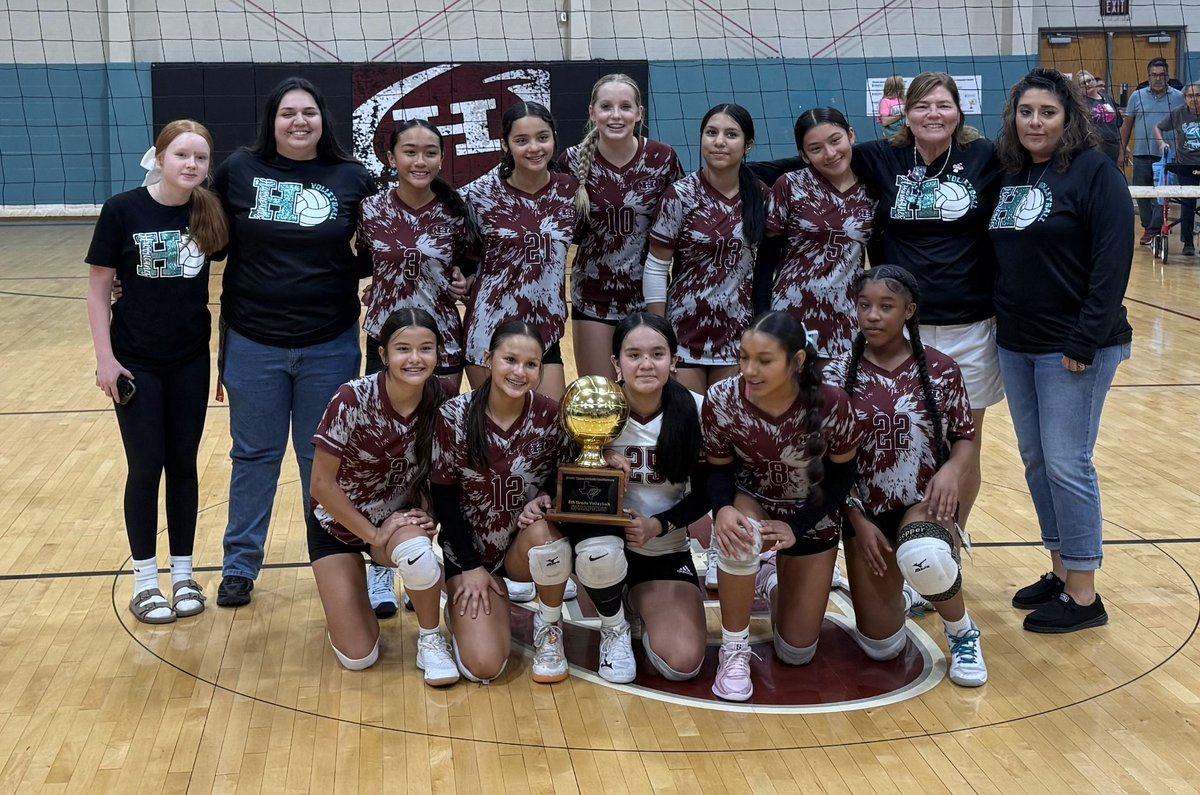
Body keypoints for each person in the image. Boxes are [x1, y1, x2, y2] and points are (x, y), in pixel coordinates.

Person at [213, 76, 376, 607]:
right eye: (288, 113)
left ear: (323, 120)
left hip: (329, 341)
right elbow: (202, 238)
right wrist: (125, 274)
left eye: (309, 112)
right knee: (254, 456)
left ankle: (339, 562)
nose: (299, 122)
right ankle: (240, 566)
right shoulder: (238, 170)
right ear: (272, 121)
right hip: (253, 340)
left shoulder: (351, 177)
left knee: (324, 460)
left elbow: (386, 242)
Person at [989, 67, 1133, 633]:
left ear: (1069, 117)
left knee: (1068, 463)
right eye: (1026, 112)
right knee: (1036, 460)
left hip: (1074, 346)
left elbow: (1113, 262)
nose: (1035, 122)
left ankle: (1084, 593)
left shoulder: (1095, 172)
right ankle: (1061, 569)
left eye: (1047, 112)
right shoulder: (1012, 172)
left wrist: (1084, 339)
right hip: (1017, 342)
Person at [86, 120, 228, 624]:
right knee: (146, 466)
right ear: (160, 157)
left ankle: (184, 575)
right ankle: (146, 582)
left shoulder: (208, 211)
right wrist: (105, 359)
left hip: (189, 360)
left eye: (200, 158)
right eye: (181, 155)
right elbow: (99, 288)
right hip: (135, 362)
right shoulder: (122, 210)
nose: (191, 164)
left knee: (183, 465)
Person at [852, 71, 1004, 533]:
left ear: (959, 112)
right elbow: (820, 157)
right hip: (899, 330)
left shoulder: (986, 157)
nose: (933, 114)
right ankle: (903, 538)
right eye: (922, 106)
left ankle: (947, 544)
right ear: (906, 113)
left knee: (964, 443)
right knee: (899, 438)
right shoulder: (883, 156)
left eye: (943, 105)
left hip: (969, 324)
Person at [827, 265, 987, 687]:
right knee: (882, 646)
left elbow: (965, 437)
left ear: (909, 311)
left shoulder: (941, 368)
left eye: (886, 306)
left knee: (925, 555)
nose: (872, 315)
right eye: (864, 305)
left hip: (922, 503)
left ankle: (963, 632)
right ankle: (906, 589)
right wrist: (857, 522)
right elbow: (827, 461)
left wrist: (952, 469)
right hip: (865, 511)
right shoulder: (835, 374)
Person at [702, 311, 862, 701]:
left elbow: (842, 476)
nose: (749, 370)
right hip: (753, 500)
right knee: (741, 536)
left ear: (797, 360)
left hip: (812, 515)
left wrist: (798, 526)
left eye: (764, 360)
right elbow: (717, 468)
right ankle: (734, 649)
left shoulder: (833, 403)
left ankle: (770, 578)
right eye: (743, 358)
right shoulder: (722, 398)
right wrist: (722, 509)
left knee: (796, 651)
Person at [357, 119, 482, 615]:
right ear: (391, 158)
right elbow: (360, 261)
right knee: (384, 454)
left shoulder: (455, 211)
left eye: (430, 151)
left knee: (433, 458)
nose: (420, 160)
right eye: (409, 151)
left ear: (441, 159)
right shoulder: (369, 209)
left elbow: (473, 265)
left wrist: (464, 282)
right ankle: (381, 564)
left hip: (441, 346)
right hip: (385, 344)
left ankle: (429, 559)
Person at [307, 308, 458, 683]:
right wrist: (372, 534)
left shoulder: (444, 397)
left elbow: (450, 471)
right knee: (358, 656)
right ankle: (354, 590)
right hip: (337, 526)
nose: (415, 359)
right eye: (403, 349)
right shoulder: (352, 398)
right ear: (384, 353)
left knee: (417, 550)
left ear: (438, 353)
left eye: (425, 348)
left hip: (397, 525)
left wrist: (430, 514)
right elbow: (321, 486)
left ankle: (430, 639)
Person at [562, 312, 709, 684]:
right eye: (634, 355)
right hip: (603, 544)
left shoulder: (696, 410)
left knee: (682, 663)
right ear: (616, 363)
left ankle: (634, 597)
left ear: (674, 361)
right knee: (597, 554)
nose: (646, 364)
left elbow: (709, 492)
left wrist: (659, 525)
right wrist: (600, 466)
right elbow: (562, 485)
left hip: (664, 549)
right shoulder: (592, 408)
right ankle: (614, 619)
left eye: (657, 354)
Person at [432, 321, 575, 683]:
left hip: (520, 549)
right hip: (470, 555)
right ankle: (462, 609)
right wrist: (470, 566)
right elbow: (444, 499)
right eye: (510, 360)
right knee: (485, 667)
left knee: (547, 537)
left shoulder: (552, 416)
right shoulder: (454, 415)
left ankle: (549, 626)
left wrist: (547, 498)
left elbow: (567, 483)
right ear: (488, 359)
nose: (519, 372)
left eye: (531, 364)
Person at [559, 74, 684, 378]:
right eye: (606, 107)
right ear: (592, 112)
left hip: (649, 297)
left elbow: (681, 228)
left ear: (639, 113)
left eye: (625, 107)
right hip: (593, 298)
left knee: (649, 392)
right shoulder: (571, 162)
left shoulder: (662, 158)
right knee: (601, 396)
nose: (616, 115)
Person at [644, 103, 768, 395]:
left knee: (726, 421)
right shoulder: (680, 195)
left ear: (748, 145)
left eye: (731, 134)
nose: (719, 142)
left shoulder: (762, 196)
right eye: (711, 133)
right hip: (683, 335)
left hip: (738, 337)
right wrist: (659, 335)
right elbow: (656, 267)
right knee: (689, 420)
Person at [463, 102, 578, 401]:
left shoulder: (570, 191)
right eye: (521, 140)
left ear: (554, 138)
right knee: (494, 426)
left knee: (550, 424)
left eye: (542, 137)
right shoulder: (482, 195)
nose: (534, 148)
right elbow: (466, 257)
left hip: (545, 330)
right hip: (490, 329)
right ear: (505, 144)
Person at [765, 107, 874, 359]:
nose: (830, 153)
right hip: (791, 312)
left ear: (851, 135)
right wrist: (762, 314)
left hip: (847, 317)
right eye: (816, 149)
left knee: (840, 385)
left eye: (835, 140)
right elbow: (766, 256)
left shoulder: (871, 188)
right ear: (804, 156)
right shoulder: (789, 185)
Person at [1121, 58, 1184, 246]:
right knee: (1142, 195)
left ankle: (1152, 230)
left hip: (1167, 155)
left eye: (1162, 75)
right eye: (1154, 75)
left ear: (1168, 76)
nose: (1158, 79)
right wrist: (1122, 149)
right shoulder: (1137, 96)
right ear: (1148, 77)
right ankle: (1148, 226)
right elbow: (1126, 126)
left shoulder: (1179, 97)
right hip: (1141, 153)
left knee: (1162, 194)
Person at [1155, 81, 1200, 257]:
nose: (1194, 99)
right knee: (1188, 203)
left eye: (1198, 95)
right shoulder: (1179, 113)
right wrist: (1161, 143)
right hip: (1186, 166)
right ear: (1185, 98)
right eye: (1190, 96)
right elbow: (1158, 127)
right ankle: (1188, 243)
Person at [1074, 70, 1123, 164]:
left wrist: (1124, 146)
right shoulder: (1080, 103)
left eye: (1089, 80)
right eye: (1083, 83)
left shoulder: (1108, 98)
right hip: (1095, 146)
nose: (1087, 84)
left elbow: (1119, 124)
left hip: (1114, 145)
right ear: (1079, 88)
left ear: (1094, 81)